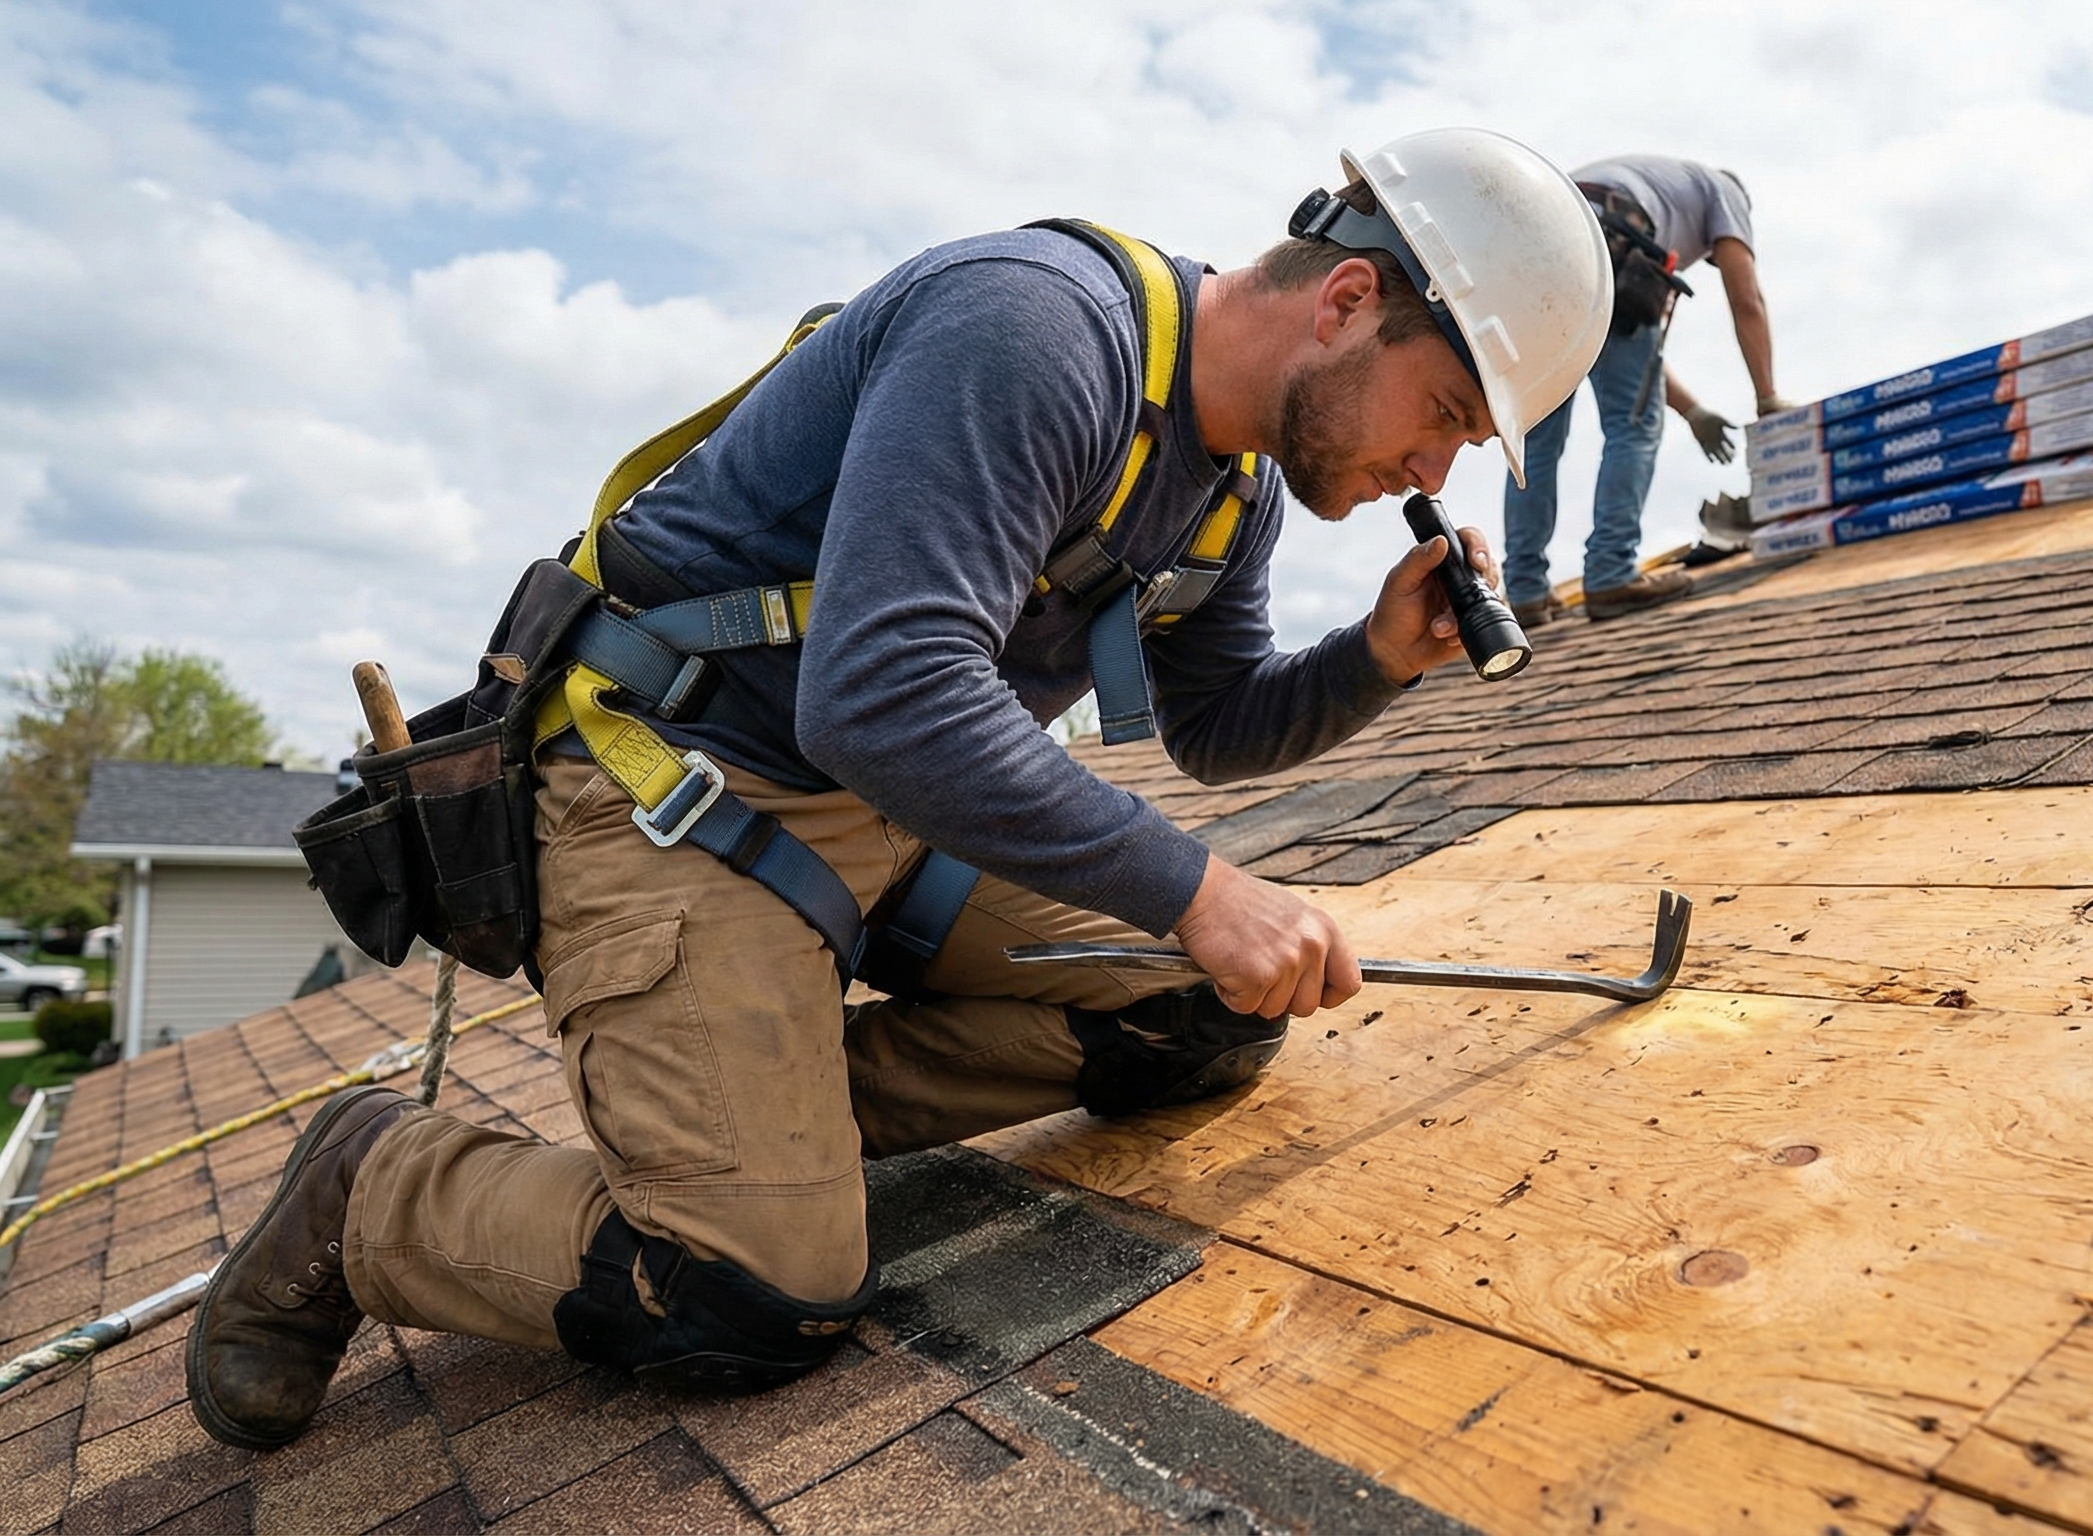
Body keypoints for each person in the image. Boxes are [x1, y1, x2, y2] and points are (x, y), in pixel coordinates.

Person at [186, 128, 1612, 1449]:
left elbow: (1218, 729)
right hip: (677, 790)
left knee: (1200, 1009)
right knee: (755, 1290)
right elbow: (882, 692)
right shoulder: (1039, 331)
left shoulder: (1224, 487)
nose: (1431, 466)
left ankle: (755, 1115)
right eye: (1440, 411)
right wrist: (1200, 884)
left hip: (882, 809)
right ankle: (375, 1192)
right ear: (1348, 298)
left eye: (1461, 448)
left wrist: (1374, 657)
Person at [1502, 154, 1792, 624]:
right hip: (1605, 244)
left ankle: (1527, 593)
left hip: (1531, 254)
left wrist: (1693, 411)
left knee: (1538, 438)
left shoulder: (1662, 187)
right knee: (1632, 429)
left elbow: (1635, 358)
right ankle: (1612, 573)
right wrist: (1767, 398)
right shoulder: (1727, 192)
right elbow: (1747, 299)